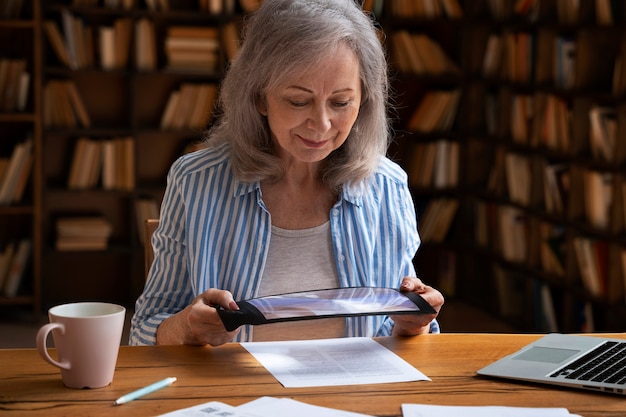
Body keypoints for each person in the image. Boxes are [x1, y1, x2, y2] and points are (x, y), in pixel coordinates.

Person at [129, 0, 444, 346]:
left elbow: (396, 333)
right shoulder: (196, 181)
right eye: (298, 101)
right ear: (259, 98)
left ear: (364, 99)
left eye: (340, 103)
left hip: (356, 393)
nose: (321, 124)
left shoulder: (387, 186)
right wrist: (187, 327)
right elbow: (144, 330)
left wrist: (413, 323)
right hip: (236, 396)